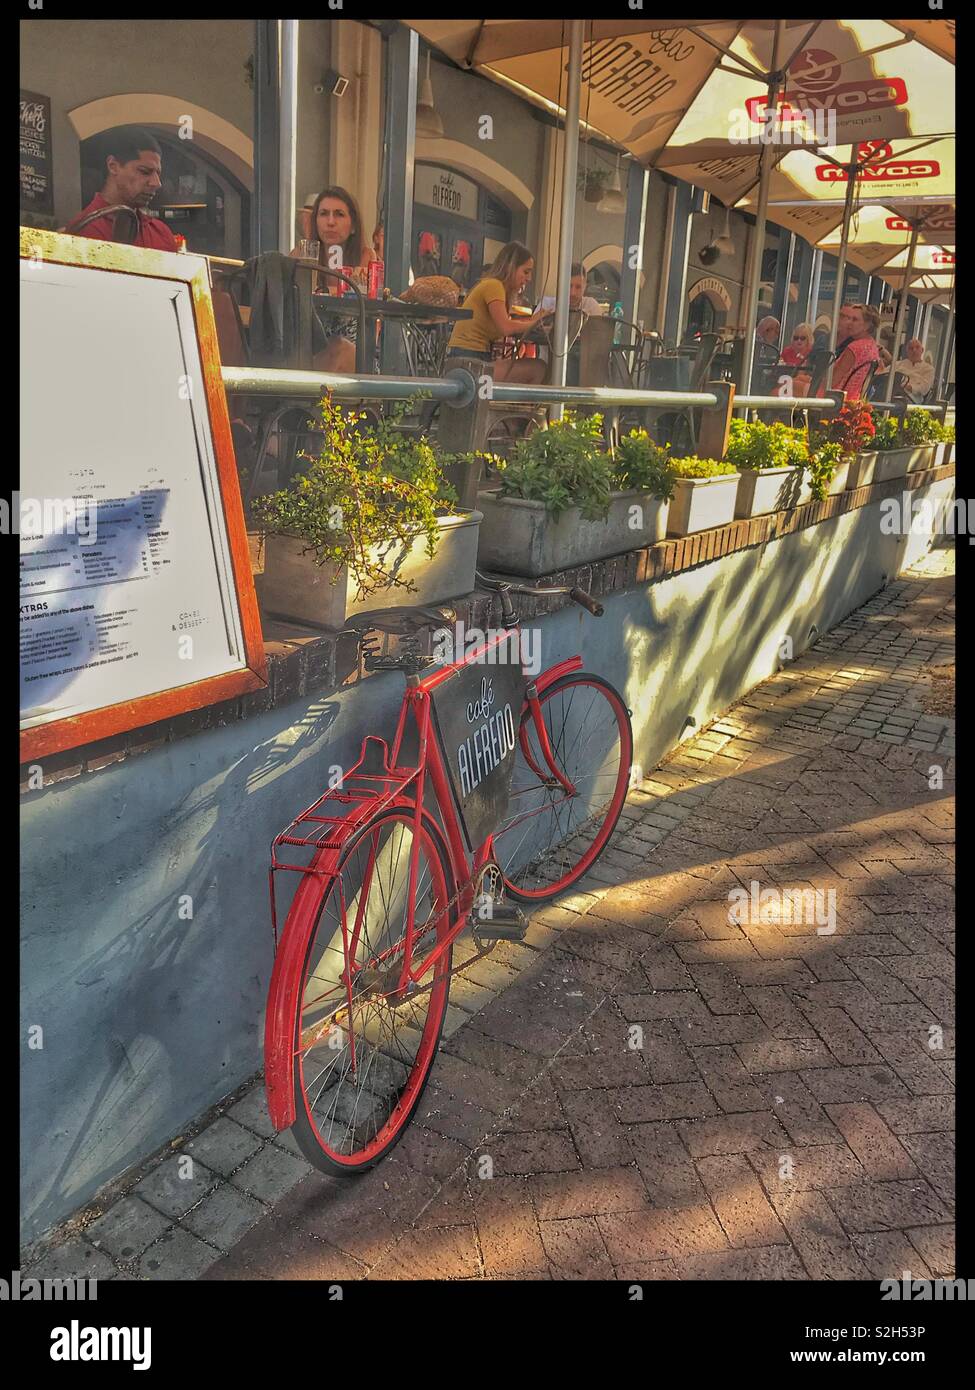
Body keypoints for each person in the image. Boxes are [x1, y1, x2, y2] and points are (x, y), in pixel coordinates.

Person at [293, 186, 377, 372]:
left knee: (340, 348)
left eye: (339, 214)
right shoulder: (302, 254)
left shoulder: (365, 256)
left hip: (354, 355)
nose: (330, 222)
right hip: (309, 354)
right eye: (323, 214)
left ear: (353, 225)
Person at [446, 242, 552, 383]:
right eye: (526, 272)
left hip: (466, 358)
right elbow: (505, 327)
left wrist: (533, 321)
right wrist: (534, 322)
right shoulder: (494, 286)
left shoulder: (492, 285)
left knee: (535, 367)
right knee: (538, 368)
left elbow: (506, 324)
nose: (529, 278)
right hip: (469, 361)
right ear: (510, 267)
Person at [63, 128, 179, 251]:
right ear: (113, 166)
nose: (156, 183)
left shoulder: (161, 233)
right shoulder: (84, 231)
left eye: (158, 174)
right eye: (144, 171)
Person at [831, 302, 881, 400]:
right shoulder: (872, 346)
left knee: (798, 384)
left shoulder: (854, 348)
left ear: (867, 325)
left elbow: (833, 381)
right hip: (855, 398)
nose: (849, 323)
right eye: (849, 318)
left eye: (855, 319)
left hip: (838, 397)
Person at [538, 263, 603, 317]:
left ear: (585, 286)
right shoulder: (547, 304)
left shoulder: (591, 306)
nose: (572, 293)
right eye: (568, 286)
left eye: (578, 287)